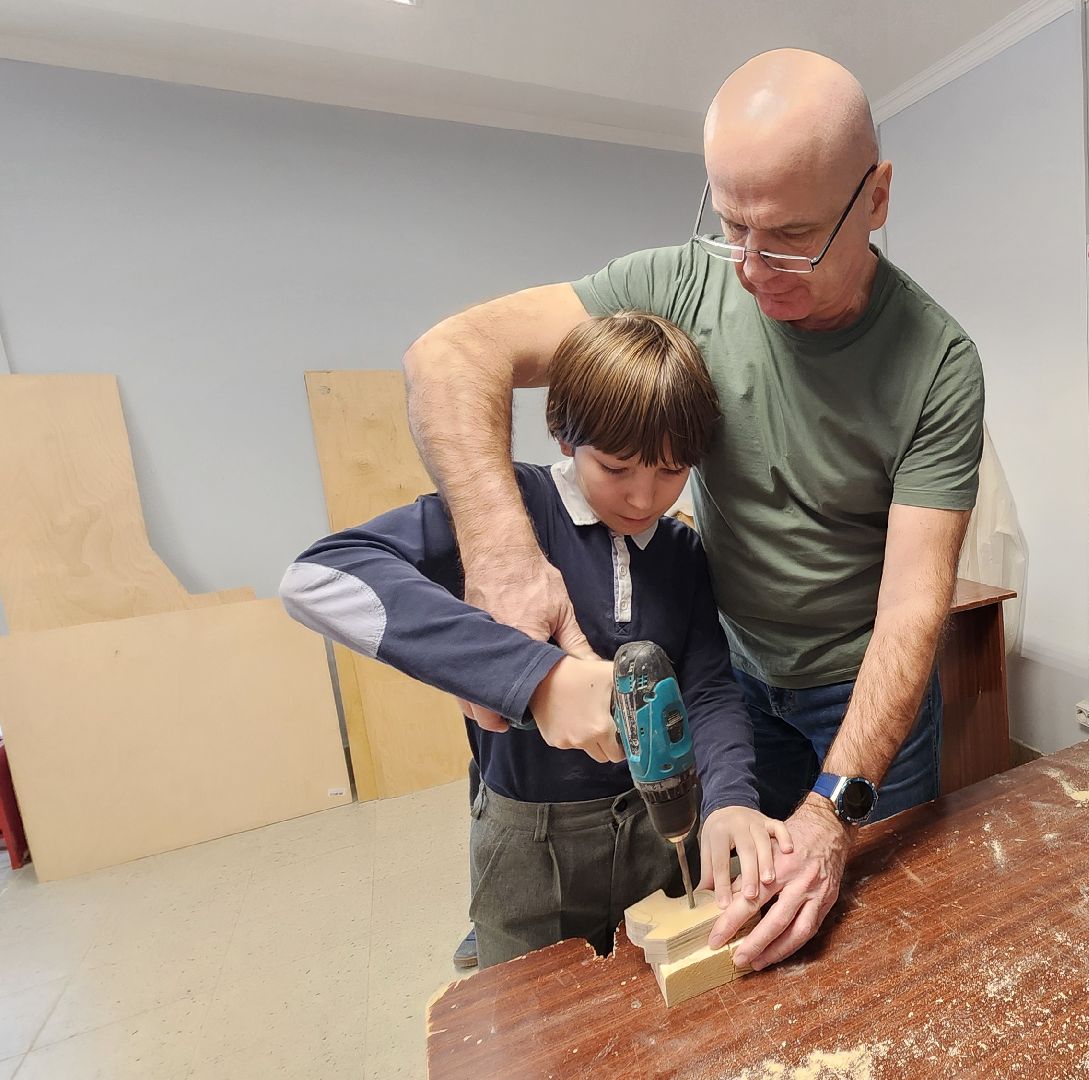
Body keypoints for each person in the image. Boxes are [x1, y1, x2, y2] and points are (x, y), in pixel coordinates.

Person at [400, 48, 984, 971]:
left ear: (875, 198)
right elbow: (449, 357)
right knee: (741, 925)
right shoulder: (688, 281)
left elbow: (913, 608)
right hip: (736, 679)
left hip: (866, 698)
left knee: (882, 954)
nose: (750, 270)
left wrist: (835, 810)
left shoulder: (940, 365)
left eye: (789, 238)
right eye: (730, 226)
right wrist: (507, 560)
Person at [282, 312, 789, 968]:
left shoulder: (682, 551)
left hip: (654, 833)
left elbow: (711, 689)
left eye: (671, 471)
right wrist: (534, 676)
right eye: (617, 466)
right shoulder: (506, 509)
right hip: (526, 836)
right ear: (562, 433)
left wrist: (729, 802)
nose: (644, 495)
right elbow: (317, 579)